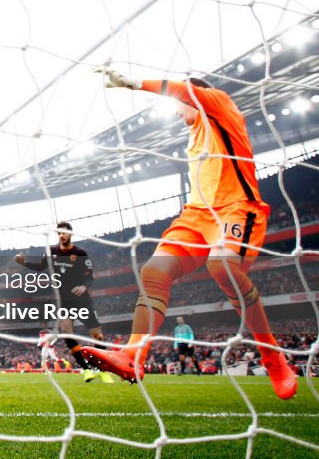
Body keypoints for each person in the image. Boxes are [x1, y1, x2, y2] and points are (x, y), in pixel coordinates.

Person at [86, 68, 296, 399]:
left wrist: (134, 83)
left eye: (180, 103)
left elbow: (185, 92)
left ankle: (272, 356)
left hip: (236, 208)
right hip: (197, 215)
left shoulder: (220, 106)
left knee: (222, 266)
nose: (175, 110)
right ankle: (133, 354)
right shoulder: (194, 135)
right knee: (153, 270)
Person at [15, 221, 113, 383]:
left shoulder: (80, 253)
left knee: (98, 336)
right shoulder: (51, 252)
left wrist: (83, 286)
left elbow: (89, 277)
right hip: (64, 301)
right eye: (59, 233)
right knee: (66, 331)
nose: (61, 236)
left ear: (70, 234)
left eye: (64, 233)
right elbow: (40, 267)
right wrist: (24, 263)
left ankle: (101, 369)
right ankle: (86, 369)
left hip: (82, 300)